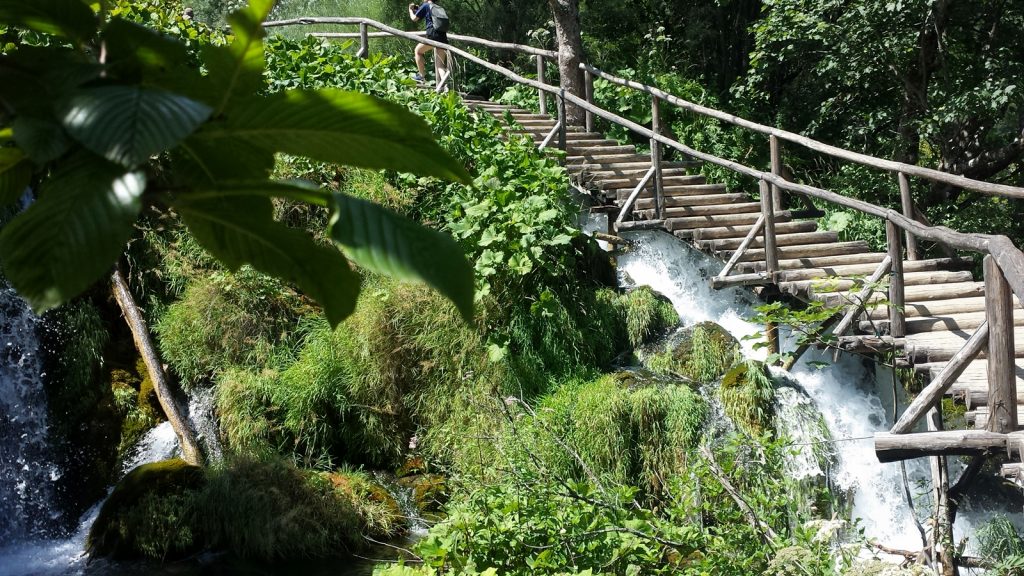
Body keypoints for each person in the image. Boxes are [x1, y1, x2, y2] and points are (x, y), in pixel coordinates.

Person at [408, 0, 448, 84]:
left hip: (433, 36)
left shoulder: (426, 5)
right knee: (440, 66)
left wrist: (410, 10)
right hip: (443, 37)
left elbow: (414, 18)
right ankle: (446, 88)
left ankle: (421, 76)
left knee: (418, 51)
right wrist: (418, 10)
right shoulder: (438, 7)